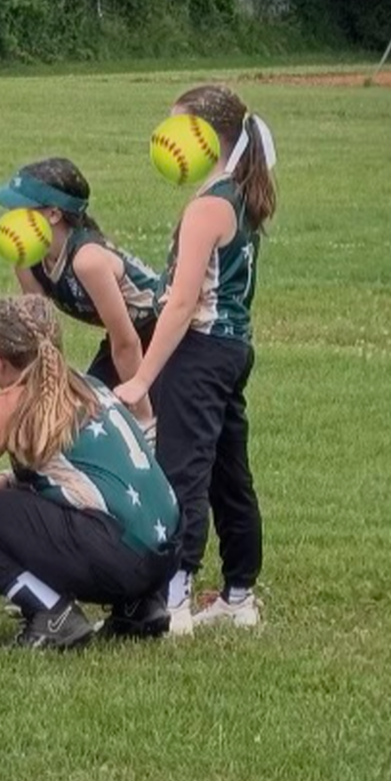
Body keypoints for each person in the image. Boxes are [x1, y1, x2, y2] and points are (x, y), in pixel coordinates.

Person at [0, 296, 179, 650]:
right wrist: (10, 481)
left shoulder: (15, 401)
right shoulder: (89, 384)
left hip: (119, 558)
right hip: (165, 554)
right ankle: (139, 605)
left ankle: (52, 611)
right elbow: (74, 479)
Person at [113, 85, 277, 634]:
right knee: (230, 472)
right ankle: (238, 595)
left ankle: (175, 599)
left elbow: (183, 303)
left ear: (202, 136)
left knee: (183, 469)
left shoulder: (207, 207)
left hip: (201, 350)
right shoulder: (239, 193)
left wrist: (142, 378)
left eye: (175, 125)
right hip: (233, 349)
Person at [0, 158, 158, 421]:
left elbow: (126, 343)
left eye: (20, 209)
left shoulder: (87, 260)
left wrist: (144, 419)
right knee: (87, 414)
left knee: (147, 425)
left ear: (54, 215)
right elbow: (40, 338)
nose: (10, 217)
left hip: (167, 333)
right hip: (129, 337)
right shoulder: (27, 260)